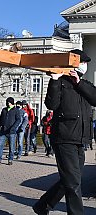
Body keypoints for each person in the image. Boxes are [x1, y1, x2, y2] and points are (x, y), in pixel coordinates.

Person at [33, 49, 96, 215]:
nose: (85, 65)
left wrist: (78, 83)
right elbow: (51, 104)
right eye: (83, 62)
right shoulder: (60, 82)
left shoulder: (83, 83)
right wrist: (54, 81)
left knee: (70, 179)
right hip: (64, 138)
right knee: (73, 182)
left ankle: (43, 205)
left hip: (81, 139)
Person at [0, 97, 21, 165]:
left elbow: (18, 120)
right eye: (7, 102)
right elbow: (1, 119)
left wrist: (13, 128)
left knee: (12, 146)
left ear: (12, 103)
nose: (8, 104)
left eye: (10, 102)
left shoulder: (16, 110)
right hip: (3, 131)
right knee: (0, 145)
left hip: (11, 132)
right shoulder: (4, 110)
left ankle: (10, 159)